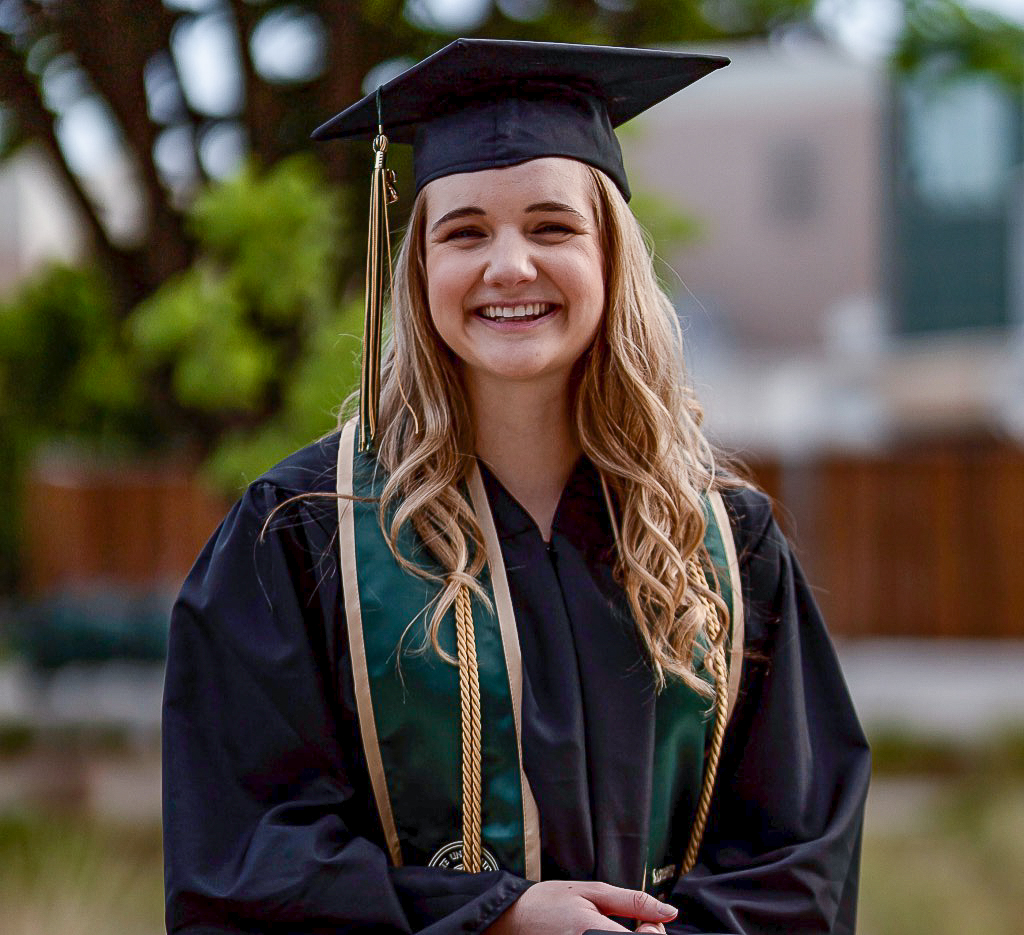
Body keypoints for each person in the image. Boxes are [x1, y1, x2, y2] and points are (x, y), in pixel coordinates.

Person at [162, 38, 870, 935]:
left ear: (610, 255)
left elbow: (802, 851)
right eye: (465, 232)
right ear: (418, 268)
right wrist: (497, 916)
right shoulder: (306, 531)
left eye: (551, 226)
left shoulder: (723, 540)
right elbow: (241, 856)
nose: (509, 267)